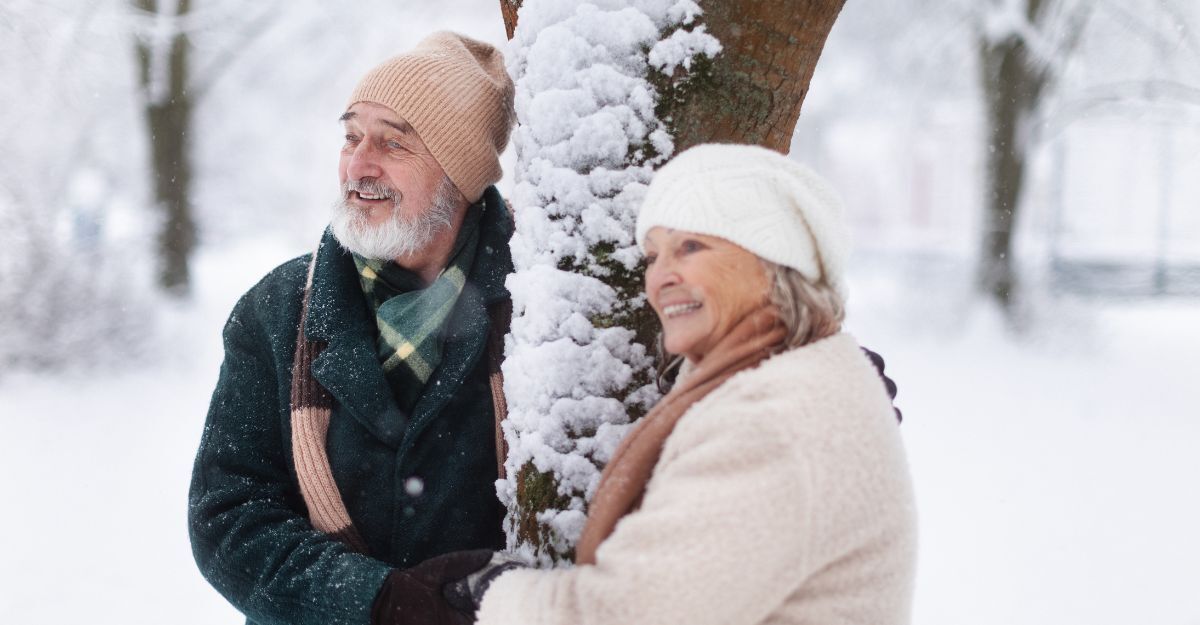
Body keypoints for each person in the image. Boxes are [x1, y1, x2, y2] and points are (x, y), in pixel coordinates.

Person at [440, 143, 918, 624]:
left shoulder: (775, 420)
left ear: (771, 261)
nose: (661, 277)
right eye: (652, 256)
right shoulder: (791, 381)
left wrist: (495, 597)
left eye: (691, 246)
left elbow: (628, 615)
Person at [188, 32, 516, 625]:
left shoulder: (535, 309)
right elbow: (229, 518)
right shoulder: (277, 309)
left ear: (461, 176)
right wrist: (376, 599)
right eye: (352, 137)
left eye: (393, 143)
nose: (359, 166)